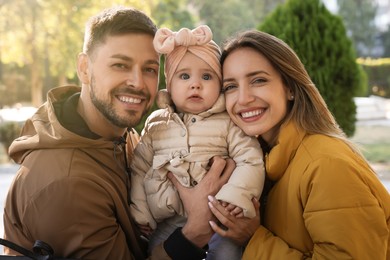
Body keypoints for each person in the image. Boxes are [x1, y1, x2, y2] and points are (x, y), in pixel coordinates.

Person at [2, 6, 235, 260]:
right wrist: (194, 232)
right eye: (120, 65)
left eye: (148, 69)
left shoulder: (119, 134)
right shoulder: (66, 184)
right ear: (84, 68)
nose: (137, 82)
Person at [199, 30, 390, 259]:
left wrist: (253, 239)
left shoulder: (326, 164)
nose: (243, 98)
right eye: (230, 86)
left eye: (258, 80)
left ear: (289, 87)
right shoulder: (260, 163)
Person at [130, 25, 264, 259]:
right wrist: (141, 213)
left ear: (220, 83)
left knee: (227, 254)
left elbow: (250, 160)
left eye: (206, 76)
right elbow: (140, 169)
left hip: (220, 219)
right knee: (156, 250)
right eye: (184, 76)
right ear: (169, 85)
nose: (195, 84)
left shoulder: (228, 122)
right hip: (169, 220)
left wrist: (235, 197)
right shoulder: (155, 124)